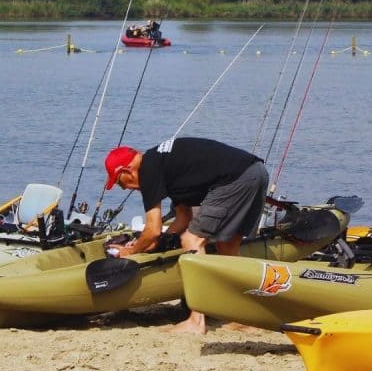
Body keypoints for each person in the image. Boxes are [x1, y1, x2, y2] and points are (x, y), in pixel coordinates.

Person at [104, 137, 268, 334]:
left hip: (235, 179)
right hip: (256, 172)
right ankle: (247, 317)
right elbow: (184, 216)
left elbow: (153, 228)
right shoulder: (164, 163)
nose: (126, 188)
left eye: (121, 184)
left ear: (126, 171)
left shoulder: (148, 170)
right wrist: (161, 243)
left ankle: (196, 321)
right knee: (227, 246)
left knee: (191, 240)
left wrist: (132, 250)